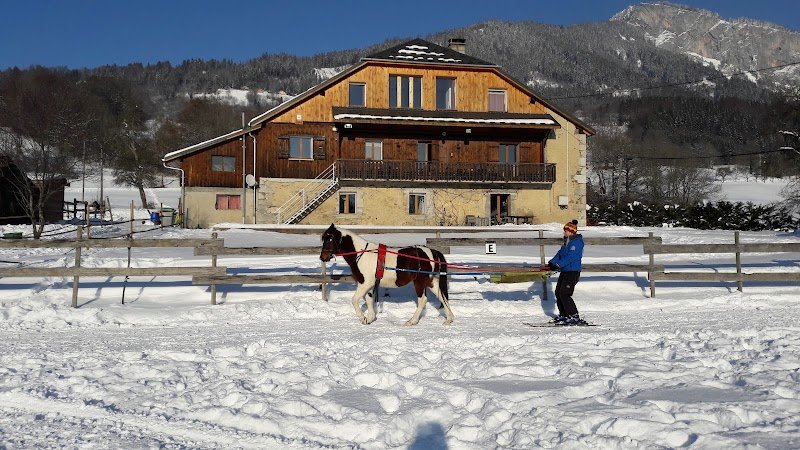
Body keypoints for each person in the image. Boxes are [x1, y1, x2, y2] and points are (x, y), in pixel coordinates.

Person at [547, 219, 587, 326]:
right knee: (558, 292)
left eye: (565, 230)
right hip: (565, 271)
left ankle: (574, 315)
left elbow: (572, 257)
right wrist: (552, 263)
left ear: (571, 231)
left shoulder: (577, 242)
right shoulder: (567, 241)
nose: (564, 232)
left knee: (565, 293)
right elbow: (560, 254)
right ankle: (564, 315)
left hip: (572, 272)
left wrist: (559, 265)